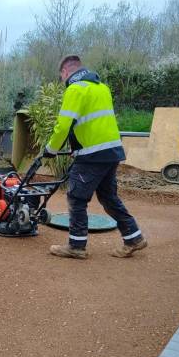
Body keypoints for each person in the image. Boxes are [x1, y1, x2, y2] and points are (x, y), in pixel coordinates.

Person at [42, 55, 147, 259]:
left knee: (76, 197)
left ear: (65, 72)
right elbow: (91, 123)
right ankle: (134, 238)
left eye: (61, 76)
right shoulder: (102, 87)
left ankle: (76, 246)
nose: (62, 80)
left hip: (92, 155)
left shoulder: (75, 88)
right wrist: (76, 145)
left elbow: (64, 125)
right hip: (112, 151)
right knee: (108, 197)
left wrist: (50, 149)